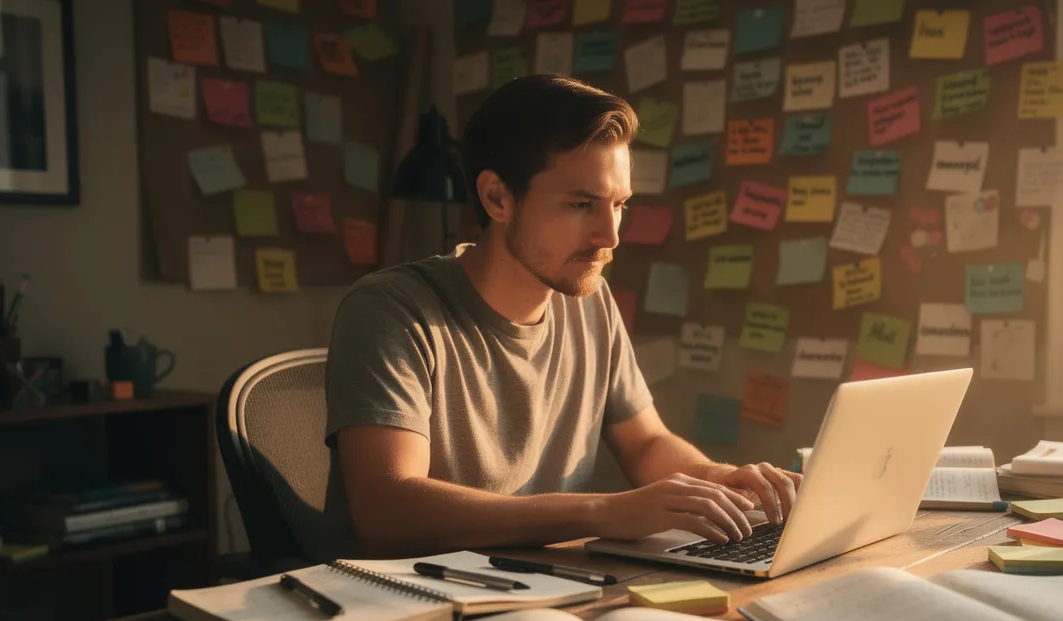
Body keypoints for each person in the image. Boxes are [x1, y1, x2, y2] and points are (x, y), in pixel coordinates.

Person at [319, 75, 801, 560]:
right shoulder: (392, 309)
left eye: (619, 205)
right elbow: (387, 510)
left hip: (547, 583)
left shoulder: (589, 298)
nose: (610, 236)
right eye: (581, 204)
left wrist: (720, 480)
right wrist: (604, 511)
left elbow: (647, 442)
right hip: (408, 592)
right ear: (497, 198)